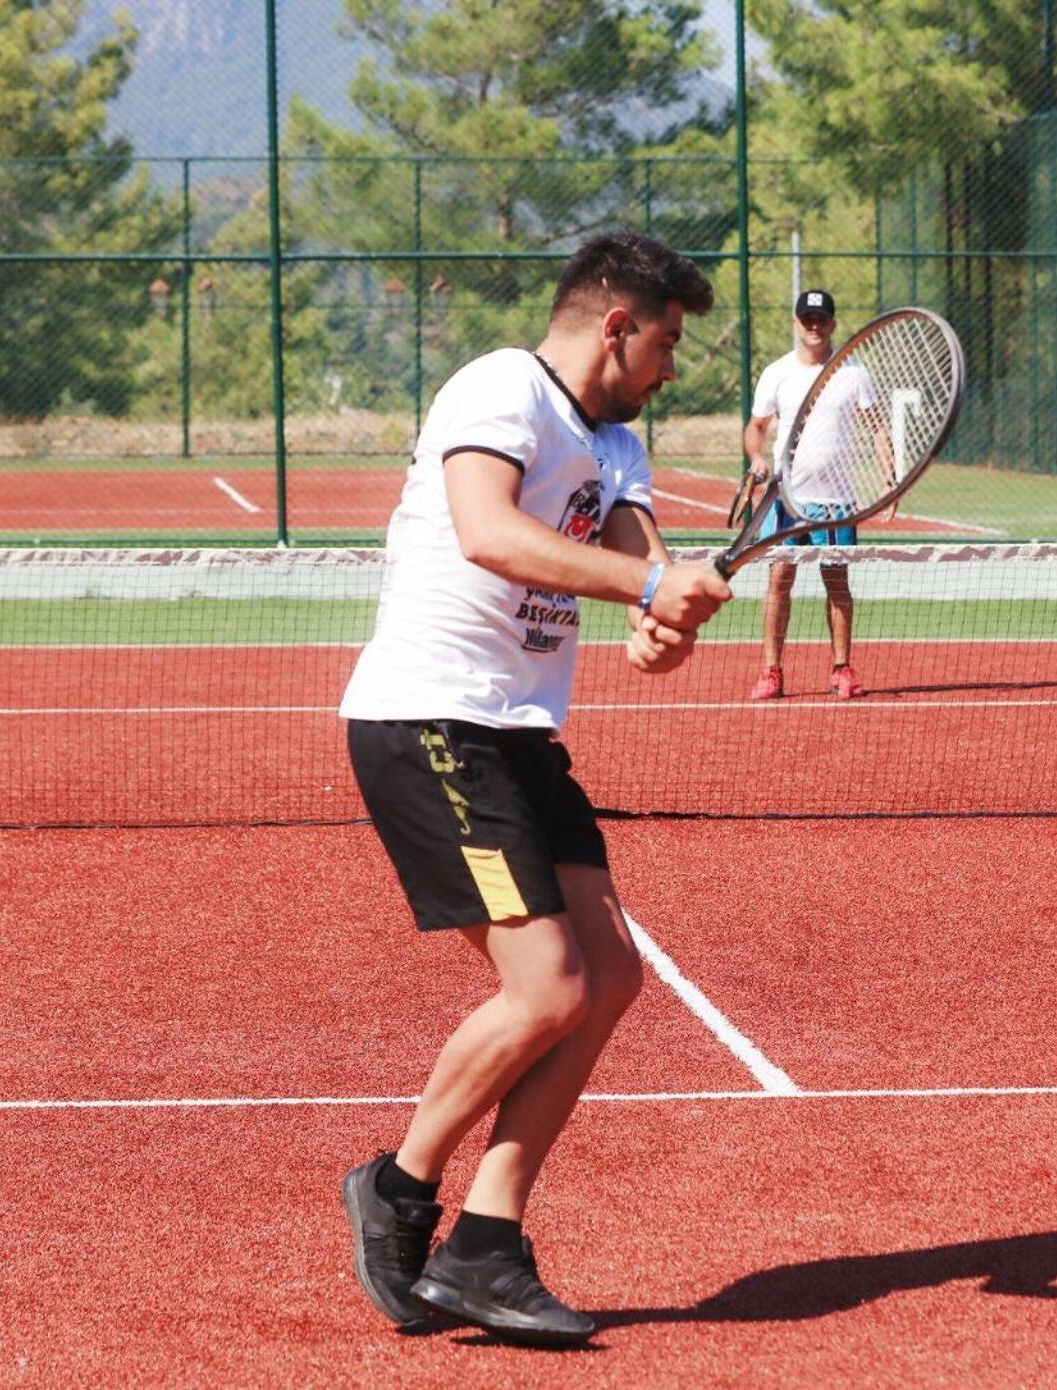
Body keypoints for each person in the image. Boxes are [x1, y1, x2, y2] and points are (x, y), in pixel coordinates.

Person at [335, 232, 731, 1348]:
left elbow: (634, 557)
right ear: (617, 324)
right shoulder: (502, 386)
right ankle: (400, 1185)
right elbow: (489, 531)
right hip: (429, 716)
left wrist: (660, 624)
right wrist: (650, 583)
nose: (670, 365)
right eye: (666, 340)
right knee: (547, 986)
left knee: (607, 978)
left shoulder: (615, 440)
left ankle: (486, 1246)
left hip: (516, 730)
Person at [741, 288, 888, 700]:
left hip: (837, 502)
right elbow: (756, 428)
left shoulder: (854, 373)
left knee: (836, 582)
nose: (814, 326)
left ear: (832, 324)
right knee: (780, 579)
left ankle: (842, 668)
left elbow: (877, 426)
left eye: (821, 319)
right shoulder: (777, 373)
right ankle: (771, 671)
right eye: (807, 319)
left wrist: (889, 480)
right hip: (787, 498)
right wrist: (756, 457)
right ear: (796, 323)